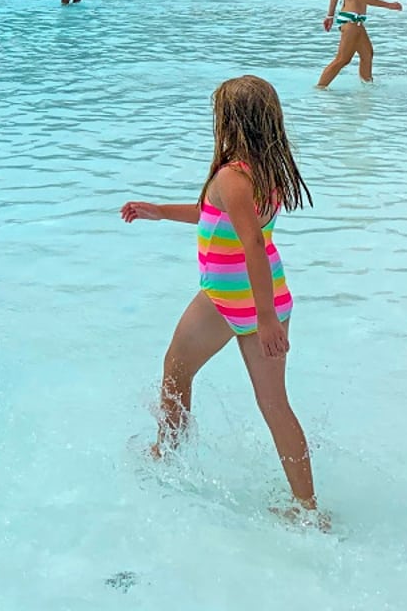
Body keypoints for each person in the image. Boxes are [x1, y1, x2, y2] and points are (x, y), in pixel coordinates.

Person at [119, 76, 321, 520]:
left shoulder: (232, 175)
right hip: (264, 294)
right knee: (273, 404)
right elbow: (214, 216)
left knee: (176, 368)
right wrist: (159, 212)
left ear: (232, 121)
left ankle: (166, 452)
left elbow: (250, 243)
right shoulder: (266, 169)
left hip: (231, 298)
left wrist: (264, 319)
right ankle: (308, 508)